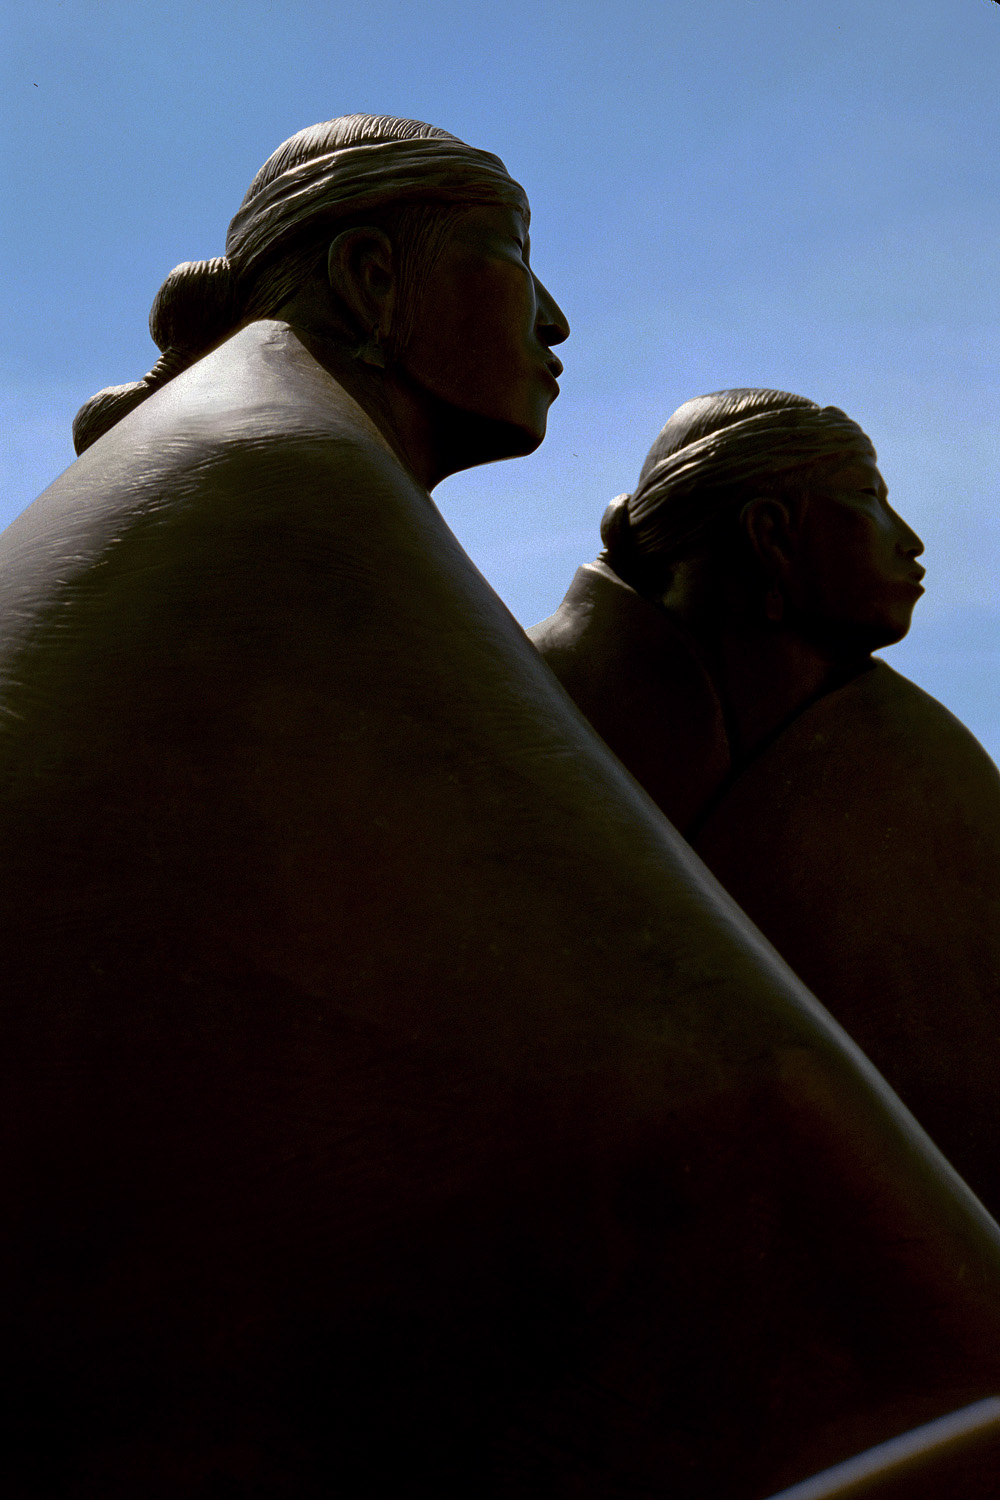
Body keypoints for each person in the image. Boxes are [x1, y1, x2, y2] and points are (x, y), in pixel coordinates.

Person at [2, 128, 1000, 1499]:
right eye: (513, 259)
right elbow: (674, 1050)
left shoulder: (269, 457)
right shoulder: (285, 482)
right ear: (368, 276)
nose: (556, 316)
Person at [531, 387, 1000, 1214]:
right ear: (772, 534)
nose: (913, 541)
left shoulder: (925, 778)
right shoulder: (522, 720)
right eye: (869, 497)